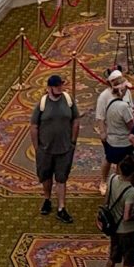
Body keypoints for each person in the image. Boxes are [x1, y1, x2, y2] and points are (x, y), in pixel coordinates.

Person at [30, 73, 79, 221]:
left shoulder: (68, 100)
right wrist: (37, 147)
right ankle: (47, 199)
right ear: (50, 87)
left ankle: (61, 207)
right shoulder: (42, 103)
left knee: (61, 178)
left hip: (64, 149)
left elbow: (75, 120)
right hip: (45, 149)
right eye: (57, 85)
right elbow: (34, 126)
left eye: (61, 85)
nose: (60, 87)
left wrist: (73, 142)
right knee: (45, 176)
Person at [100, 157, 134, 267]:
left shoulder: (112, 179)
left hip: (113, 228)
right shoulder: (131, 191)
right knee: (127, 264)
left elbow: (106, 202)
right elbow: (127, 216)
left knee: (112, 257)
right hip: (127, 231)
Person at [97, 69, 134, 182]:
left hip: (121, 135)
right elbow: (100, 116)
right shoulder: (104, 96)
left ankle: (117, 181)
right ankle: (103, 181)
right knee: (109, 159)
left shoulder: (126, 93)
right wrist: (102, 132)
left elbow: (129, 107)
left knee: (121, 162)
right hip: (112, 133)